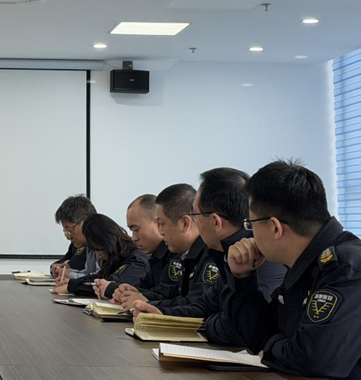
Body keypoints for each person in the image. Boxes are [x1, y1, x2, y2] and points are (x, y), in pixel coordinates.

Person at [221, 160, 361, 377]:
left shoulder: (347, 267)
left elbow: (313, 358)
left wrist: (271, 348)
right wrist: (243, 278)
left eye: (251, 224)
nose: (250, 233)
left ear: (275, 227)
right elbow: (258, 337)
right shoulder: (304, 266)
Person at [133, 168, 285, 347]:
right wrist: (161, 314)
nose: (194, 223)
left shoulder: (257, 255)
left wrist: (208, 322)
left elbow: (238, 330)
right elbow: (205, 306)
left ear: (215, 221)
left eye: (195, 215)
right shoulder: (226, 252)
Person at [126, 184, 214, 308]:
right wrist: (132, 294)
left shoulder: (211, 255)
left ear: (185, 223)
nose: (161, 232)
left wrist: (149, 304)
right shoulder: (182, 255)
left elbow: (196, 304)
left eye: (162, 224)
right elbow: (169, 293)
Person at [107, 194, 182, 301]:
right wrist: (126, 293)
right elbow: (146, 289)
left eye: (136, 230)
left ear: (158, 223)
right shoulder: (156, 256)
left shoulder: (177, 254)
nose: (134, 238)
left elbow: (166, 295)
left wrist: (114, 289)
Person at [52, 213, 148, 297]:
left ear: (108, 242)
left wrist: (72, 287)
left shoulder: (136, 258)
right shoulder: (116, 256)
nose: (98, 255)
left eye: (99, 249)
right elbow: (99, 277)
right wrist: (72, 283)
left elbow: (110, 284)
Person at [50, 195, 96, 279]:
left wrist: (69, 270)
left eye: (70, 230)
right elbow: (87, 273)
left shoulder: (103, 243)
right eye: (65, 231)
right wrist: (58, 267)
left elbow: (100, 277)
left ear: (85, 222)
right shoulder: (82, 243)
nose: (68, 237)